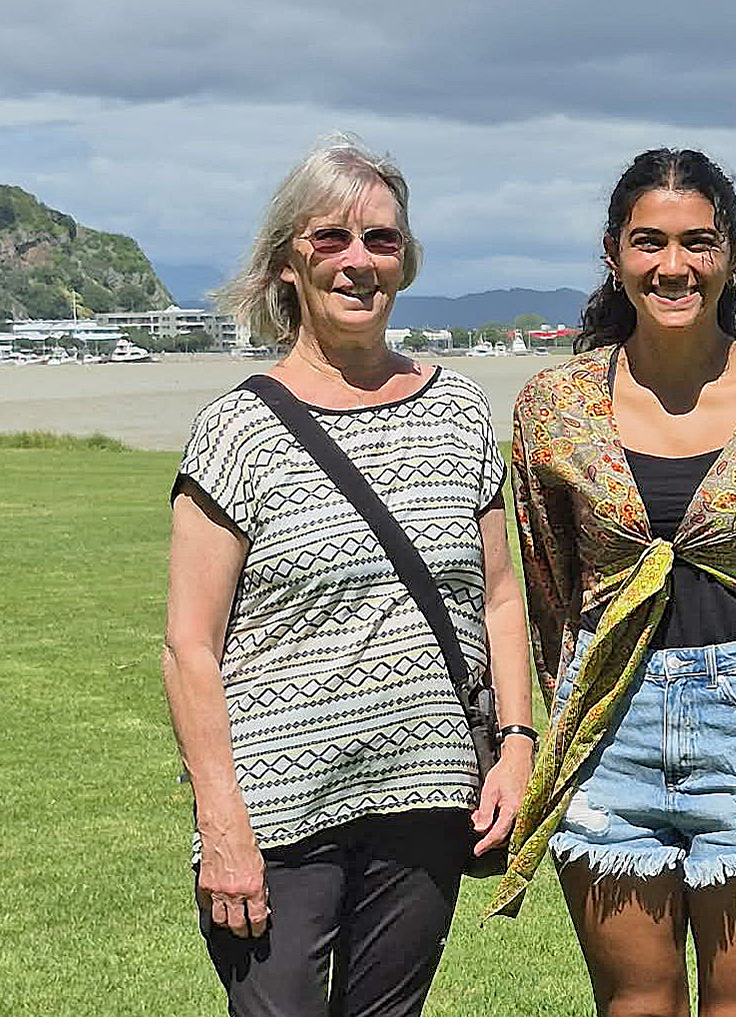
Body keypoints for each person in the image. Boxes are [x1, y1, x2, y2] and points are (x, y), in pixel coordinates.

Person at [487, 149, 736, 1017]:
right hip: (605, 728)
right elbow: (549, 575)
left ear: (733, 253)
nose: (674, 265)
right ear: (614, 253)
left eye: (698, 241)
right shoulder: (554, 405)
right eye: (649, 241)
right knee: (635, 1001)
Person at [162, 138, 534, 1017]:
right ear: (287, 263)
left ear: (406, 260)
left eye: (382, 239)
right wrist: (220, 821)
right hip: (277, 812)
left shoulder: (460, 410)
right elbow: (188, 647)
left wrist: (517, 746)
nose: (358, 260)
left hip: (427, 795)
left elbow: (500, 597)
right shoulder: (237, 431)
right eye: (331, 237)